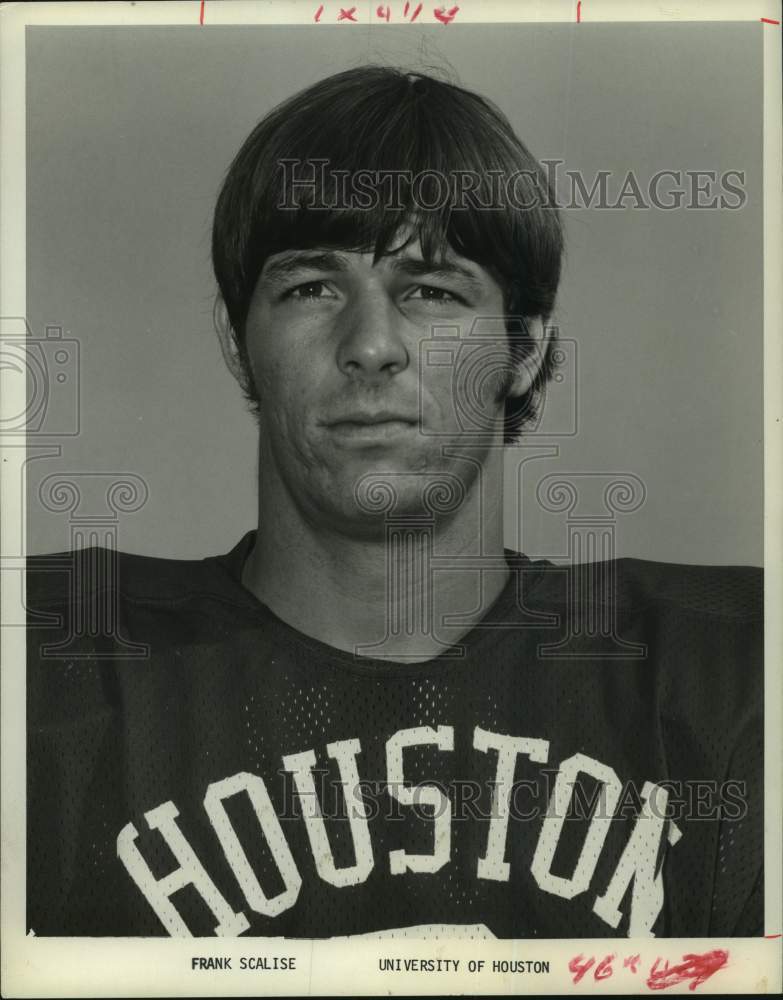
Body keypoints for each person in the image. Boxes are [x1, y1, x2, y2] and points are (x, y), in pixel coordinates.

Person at [26, 66, 762, 939]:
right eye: (311, 287)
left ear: (521, 350)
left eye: (432, 290)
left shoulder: (727, 671)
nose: (371, 345)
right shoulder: (50, 660)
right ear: (237, 343)